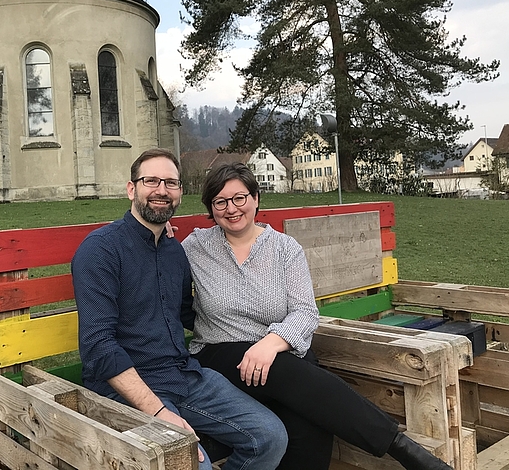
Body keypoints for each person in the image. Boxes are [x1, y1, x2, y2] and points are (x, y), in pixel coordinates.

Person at [182, 162, 454, 470]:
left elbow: (305, 311)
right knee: (295, 378)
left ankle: (405, 451)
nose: (231, 208)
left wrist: (271, 343)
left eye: (239, 198)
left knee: (309, 429)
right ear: (211, 208)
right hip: (220, 353)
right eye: (221, 201)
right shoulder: (196, 247)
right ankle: (404, 450)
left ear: (256, 198)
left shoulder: (285, 249)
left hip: (278, 355)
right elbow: (156, 255)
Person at [72, 149, 288, 470]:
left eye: (171, 182)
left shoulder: (175, 251)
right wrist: (158, 412)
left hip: (185, 375)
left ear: (180, 193)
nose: (162, 190)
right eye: (151, 181)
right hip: (126, 387)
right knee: (189, 463)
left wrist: (267, 332)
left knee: (270, 436)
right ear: (132, 189)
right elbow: (97, 346)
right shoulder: (101, 250)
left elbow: (194, 315)